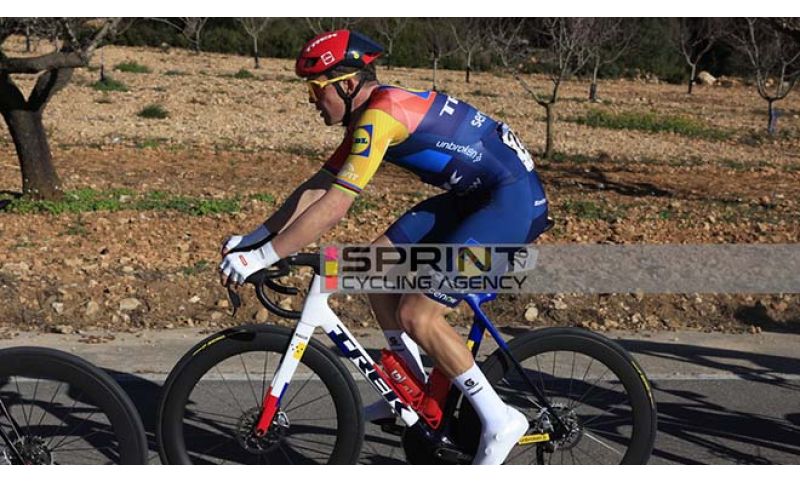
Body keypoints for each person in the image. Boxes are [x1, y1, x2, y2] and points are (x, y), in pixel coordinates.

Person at [219, 30, 549, 465]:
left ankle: (500, 419)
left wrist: (264, 257)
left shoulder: (381, 115)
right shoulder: (367, 113)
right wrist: (255, 238)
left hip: (510, 205)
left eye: (316, 90)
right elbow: (317, 187)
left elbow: (336, 204)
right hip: (473, 198)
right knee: (371, 270)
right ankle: (409, 389)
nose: (312, 102)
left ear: (346, 85)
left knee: (418, 313)